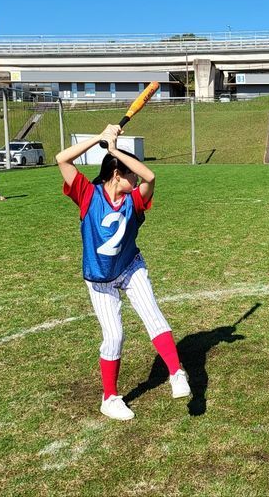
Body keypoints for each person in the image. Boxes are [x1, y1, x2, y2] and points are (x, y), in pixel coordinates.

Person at [56, 124, 190, 421]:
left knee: (152, 314)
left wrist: (115, 150)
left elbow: (150, 176)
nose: (135, 177)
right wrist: (99, 138)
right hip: (100, 278)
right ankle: (110, 398)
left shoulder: (135, 199)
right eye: (128, 173)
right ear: (117, 175)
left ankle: (176, 373)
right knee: (114, 336)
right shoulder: (87, 195)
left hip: (130, 267)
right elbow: (62, 159)